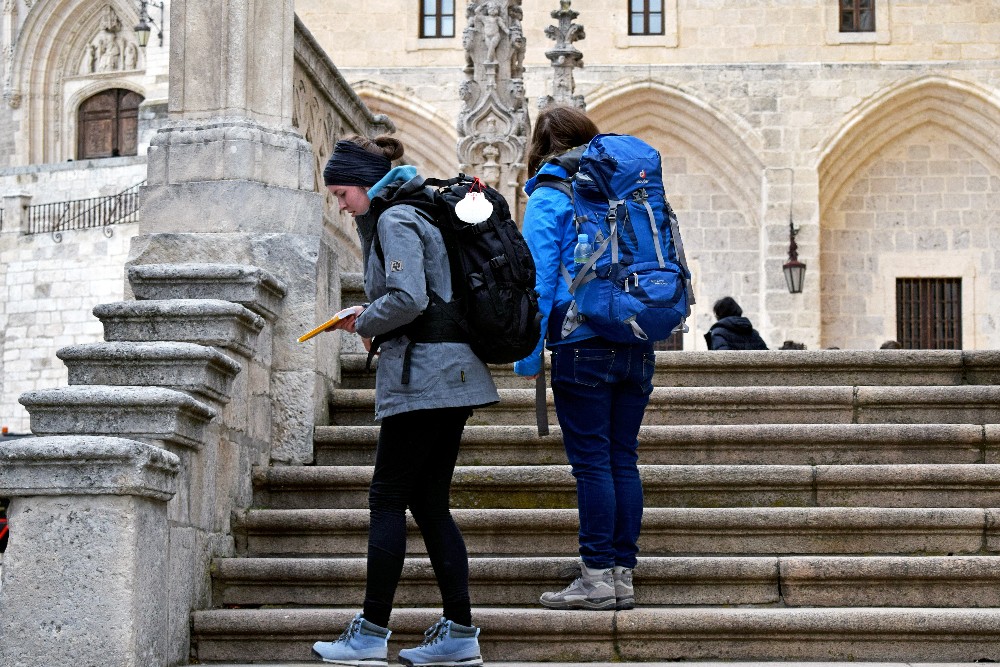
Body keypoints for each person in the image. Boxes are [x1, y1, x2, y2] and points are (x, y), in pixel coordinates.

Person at [310, 135, 498, 667]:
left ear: (366, 186)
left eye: (342, 193)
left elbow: (409, 299)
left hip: (426, 379)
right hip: (450, 374)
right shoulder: (416, 213)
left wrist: (363, 320)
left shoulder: (396, 220)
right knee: (430, 503)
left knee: (387, 499)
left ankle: (370, 632)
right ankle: (460, 633)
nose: (340, 204)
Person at [513, 106, 654, 612]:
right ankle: (621, 574)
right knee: (623, 459)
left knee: (592, 463)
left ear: (538, 151)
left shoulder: (550, 196)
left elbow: (538, 281)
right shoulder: (625, 188)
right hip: (637, 340)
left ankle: (596, 577)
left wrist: (528, 357)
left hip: (580, 344)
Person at [704, 296, 768, 350]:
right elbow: (768, 357)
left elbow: (722, 360)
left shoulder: (718, 333)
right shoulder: (753, 333)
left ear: (719, 314)